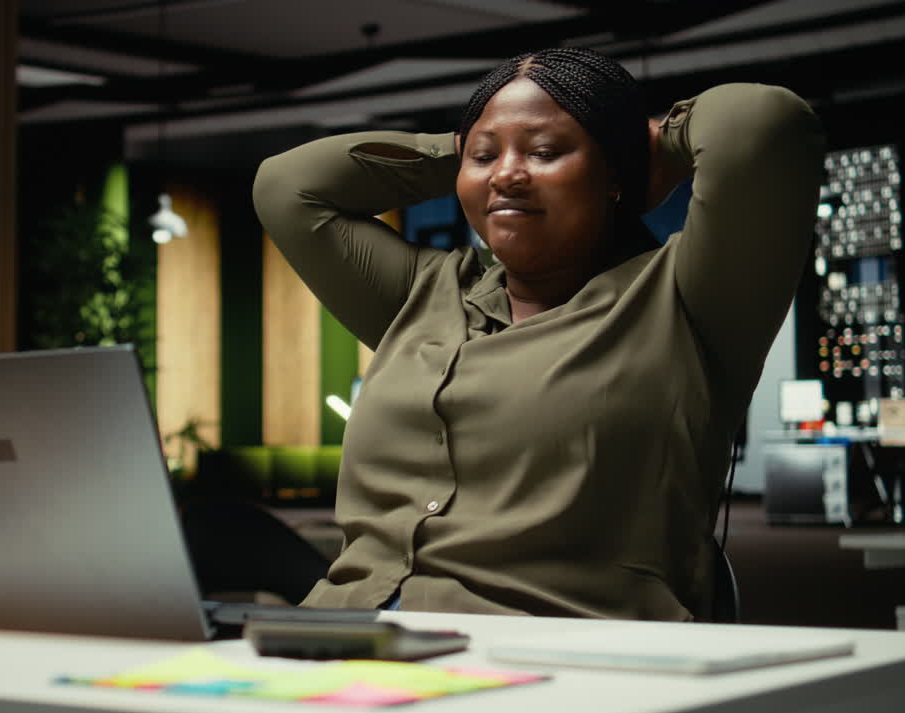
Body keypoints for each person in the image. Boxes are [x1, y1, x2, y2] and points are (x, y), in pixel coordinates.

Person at [250, 47, 824, 620]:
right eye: (484, 157)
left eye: (545, 151)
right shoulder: (424, 291)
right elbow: (287, 186)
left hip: (556, 657)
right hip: (344, 634)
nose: (506, 175)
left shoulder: (687, 300)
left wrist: (649, 140)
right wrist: (456, 152)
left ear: (617, 174)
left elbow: (763, 123)